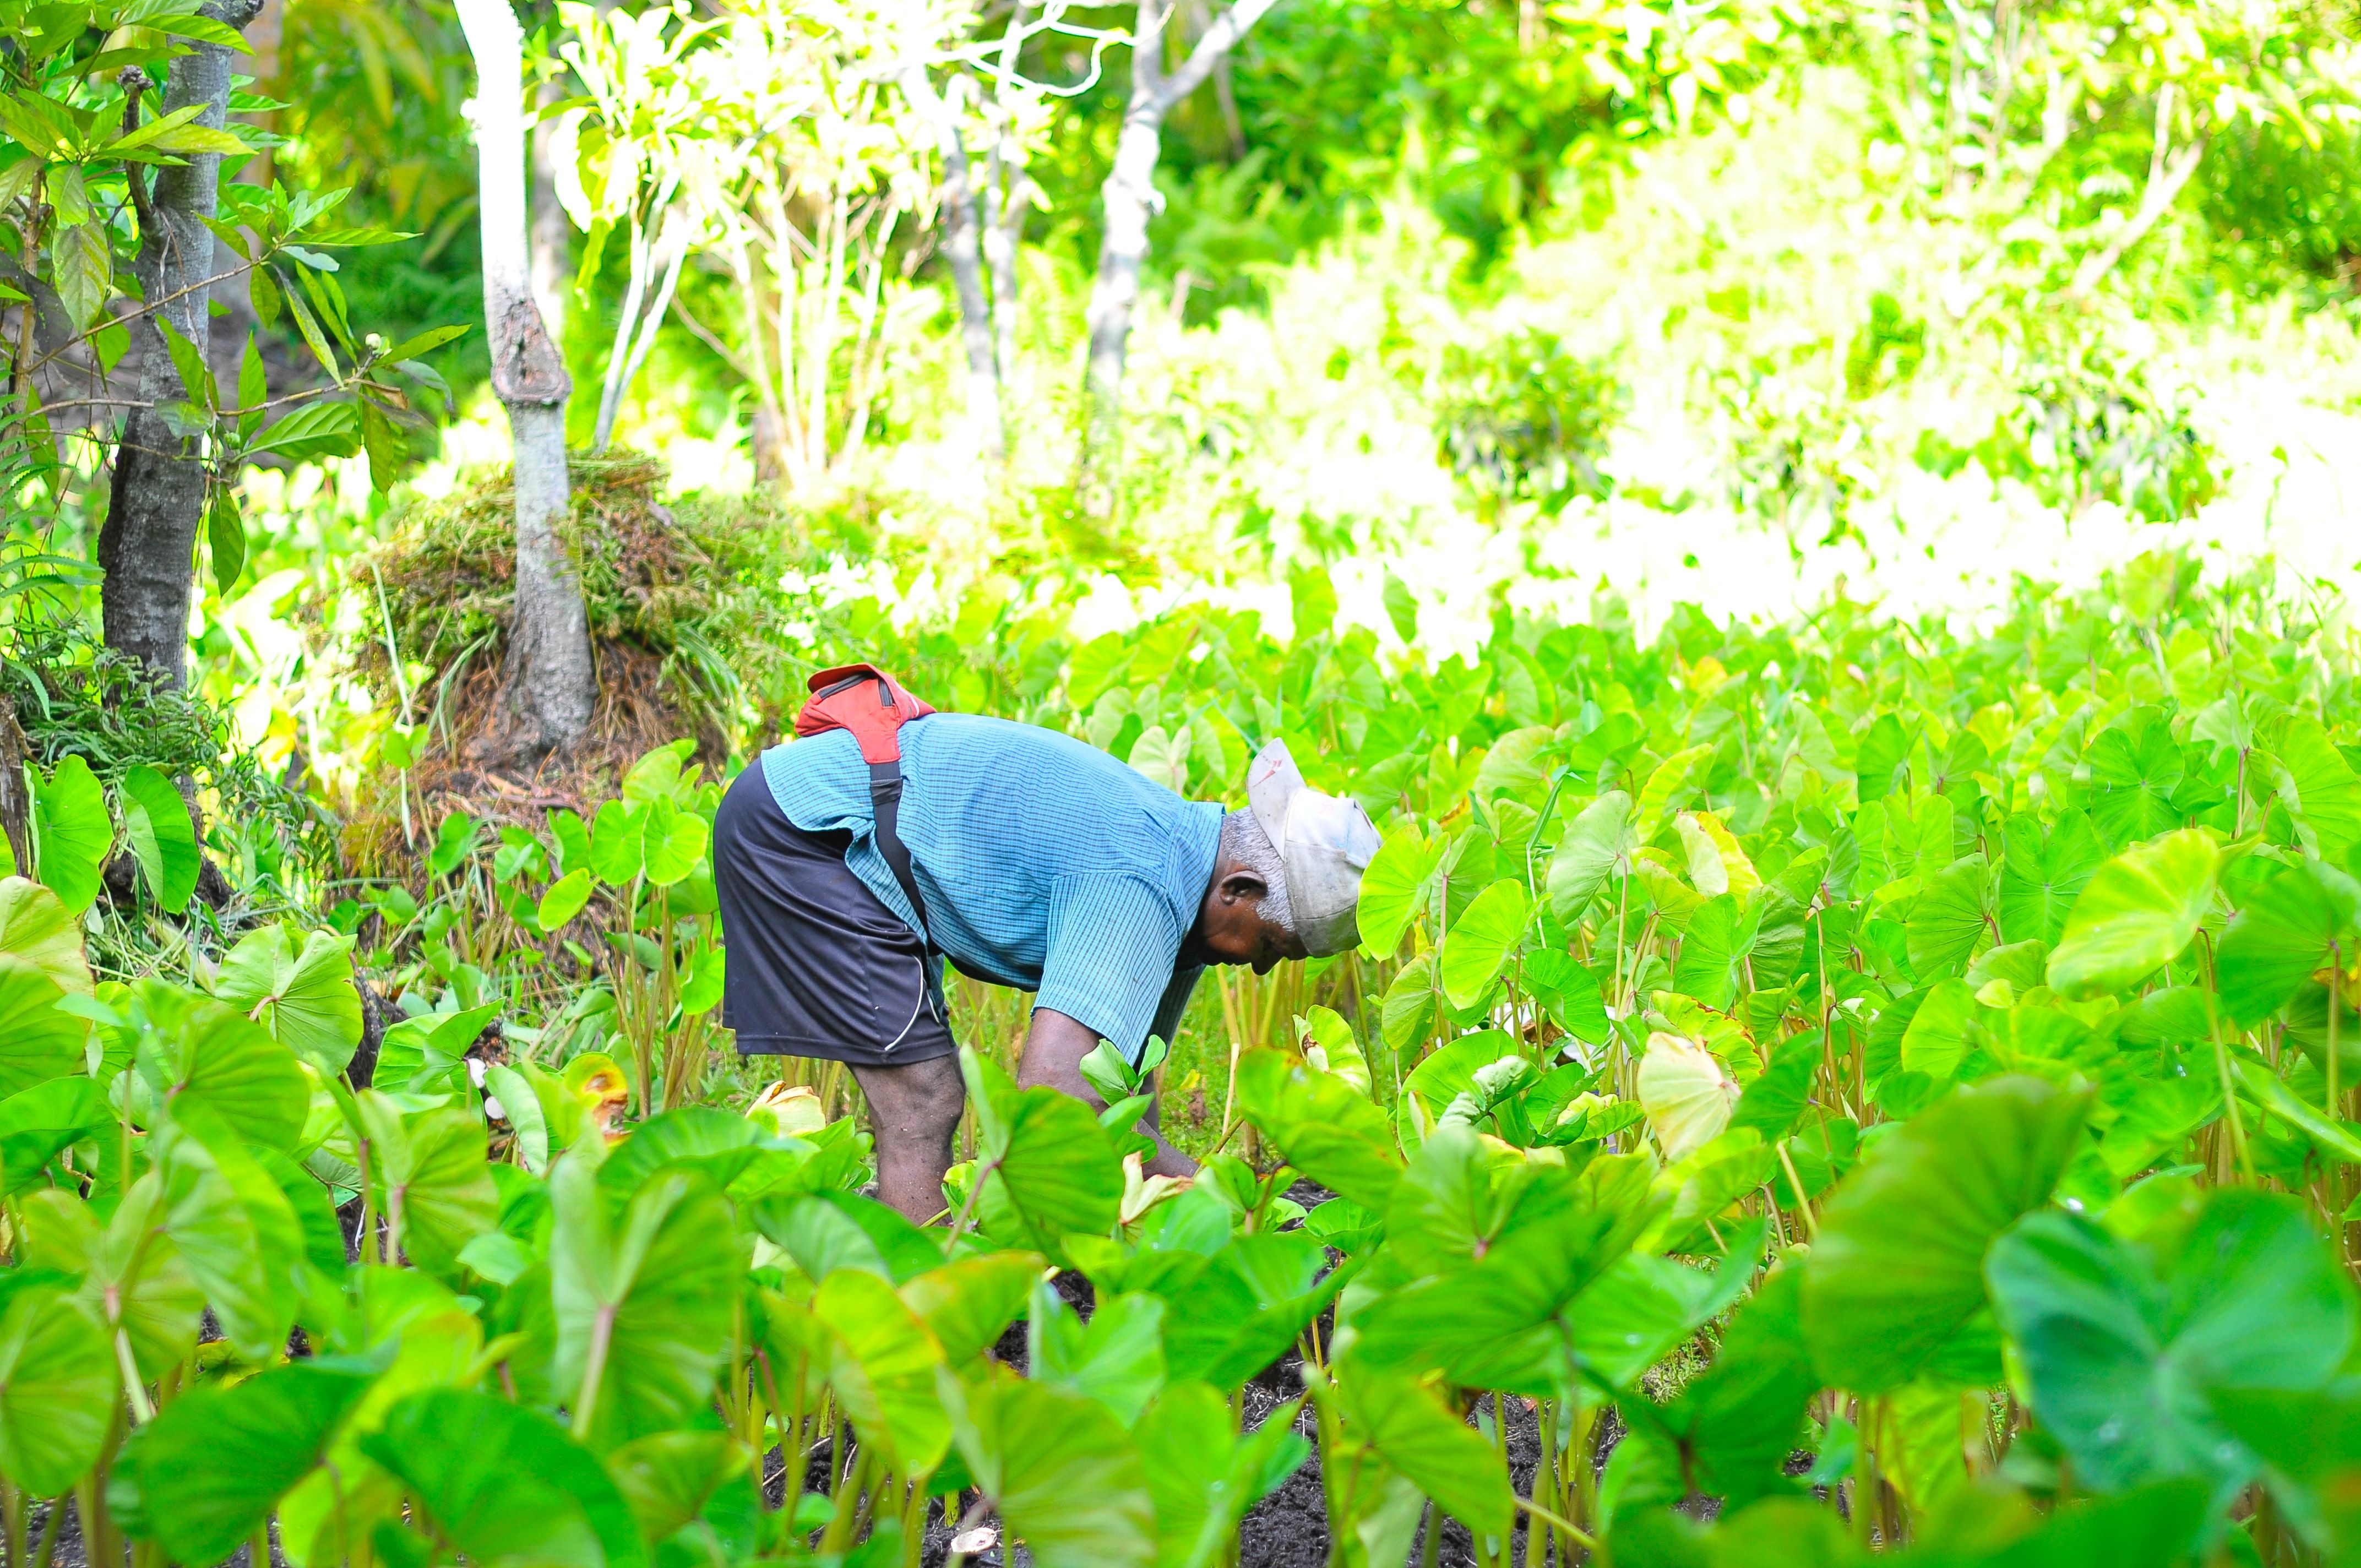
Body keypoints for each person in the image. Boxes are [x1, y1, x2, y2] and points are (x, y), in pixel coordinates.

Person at [711, 697, 1380, 1224]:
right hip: (809, 831)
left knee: (931, 1097)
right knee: (925, 1097)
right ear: (1240, 890)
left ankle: (899, 1254)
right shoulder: (1144, 877)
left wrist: (1215, 1202)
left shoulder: (1188, 884)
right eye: (1271, 948)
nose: (1261, 971)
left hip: (859, 829)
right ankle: (928, 1323)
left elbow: (1120, 1099)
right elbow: (1058, 1096)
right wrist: (1221, 1194)